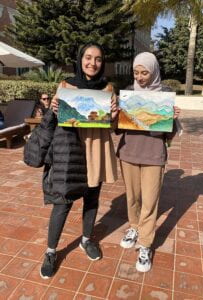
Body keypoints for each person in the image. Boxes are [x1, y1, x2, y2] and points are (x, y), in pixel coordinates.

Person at [39, 42, 118, 279]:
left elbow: (111, 125)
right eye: (88, 57)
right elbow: (55, 118)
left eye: (98, 59)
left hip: (97, 149)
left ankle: (86, 239)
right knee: (63, 202)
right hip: (70, 151)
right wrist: (53, 109)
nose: (93, 63)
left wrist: (114, 116)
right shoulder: (66, 85)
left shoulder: (108, 88)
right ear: (80, 59)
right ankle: (51, 251)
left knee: (92, 197)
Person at [116, 52, 181, 272]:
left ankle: (145, 244)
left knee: (150, 201)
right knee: (132, 198)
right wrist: (115, 115)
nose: (140, 77)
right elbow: (117, 129)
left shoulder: (164, 94)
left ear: (153, 71)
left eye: (145, 72)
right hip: (128, 154)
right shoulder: (128, 92)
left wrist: (172, 119)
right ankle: (134, 227)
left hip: (153, 155)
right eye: (136, 72)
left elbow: (169, 135)